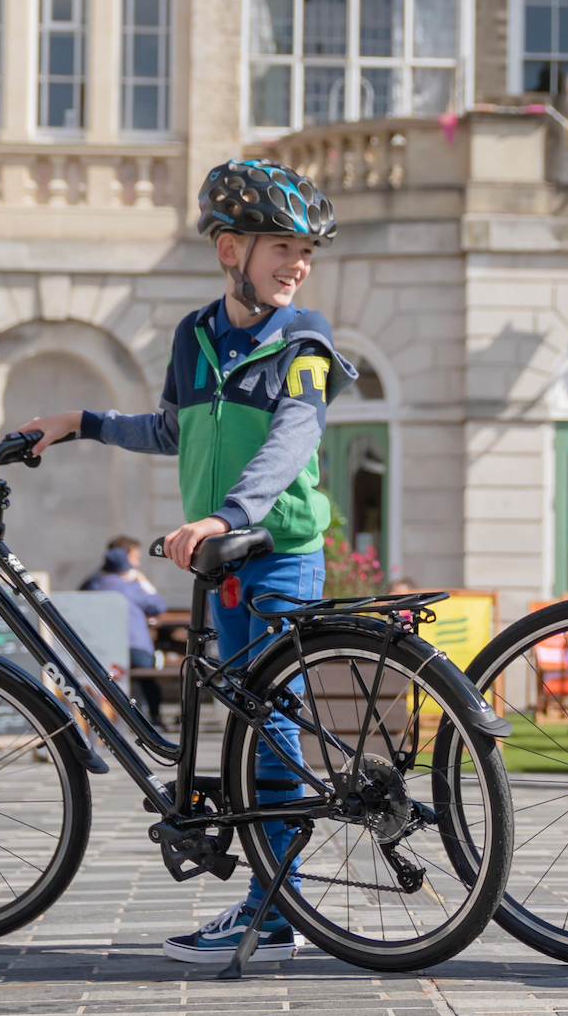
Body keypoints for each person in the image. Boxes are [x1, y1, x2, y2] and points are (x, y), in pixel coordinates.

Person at [20, 158, 349, 969]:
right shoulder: (193, 338)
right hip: (216, 556)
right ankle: (271, 900)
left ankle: (277, 911)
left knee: (269, 726)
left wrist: (226, 515)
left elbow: (293, 435)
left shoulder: (305, 341)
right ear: (228, 249)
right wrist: (84, 421)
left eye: (305, 252)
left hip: (274, 552)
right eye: (281, 247)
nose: (296, 265)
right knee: (244, 727)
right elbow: (173, 431)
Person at [82, 535, 168, 724]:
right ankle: (154, 718)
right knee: (147, 675)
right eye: (135, 558)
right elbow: (158, 606)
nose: (137, 563)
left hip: (100, 649)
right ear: (127, 560)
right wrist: (143, 583)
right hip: (134, 649)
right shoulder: (131, 586)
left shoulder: (92, 583)